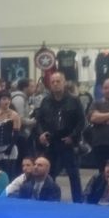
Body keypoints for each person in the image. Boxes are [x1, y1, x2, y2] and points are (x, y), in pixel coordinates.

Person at [34, 71, 85, 201]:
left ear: (64, 83)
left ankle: (78, 201)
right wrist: (41, 134)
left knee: (73, 174)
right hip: (51, 141)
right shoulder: (46, 101)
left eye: (58, 81)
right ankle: (49, 199)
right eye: (53, 82)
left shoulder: (74, 100)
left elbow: (81, 121)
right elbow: (39, 120)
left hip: (68, 141)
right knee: (49, 172)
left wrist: (73, 137)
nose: (55, 84)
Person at [0, 91, 21, 178]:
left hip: (9, 147)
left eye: (9, 99)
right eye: (4, 99)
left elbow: (16, 133)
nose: (7, 101)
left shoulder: (14, 115)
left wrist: (10, 147)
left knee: (9, 172)